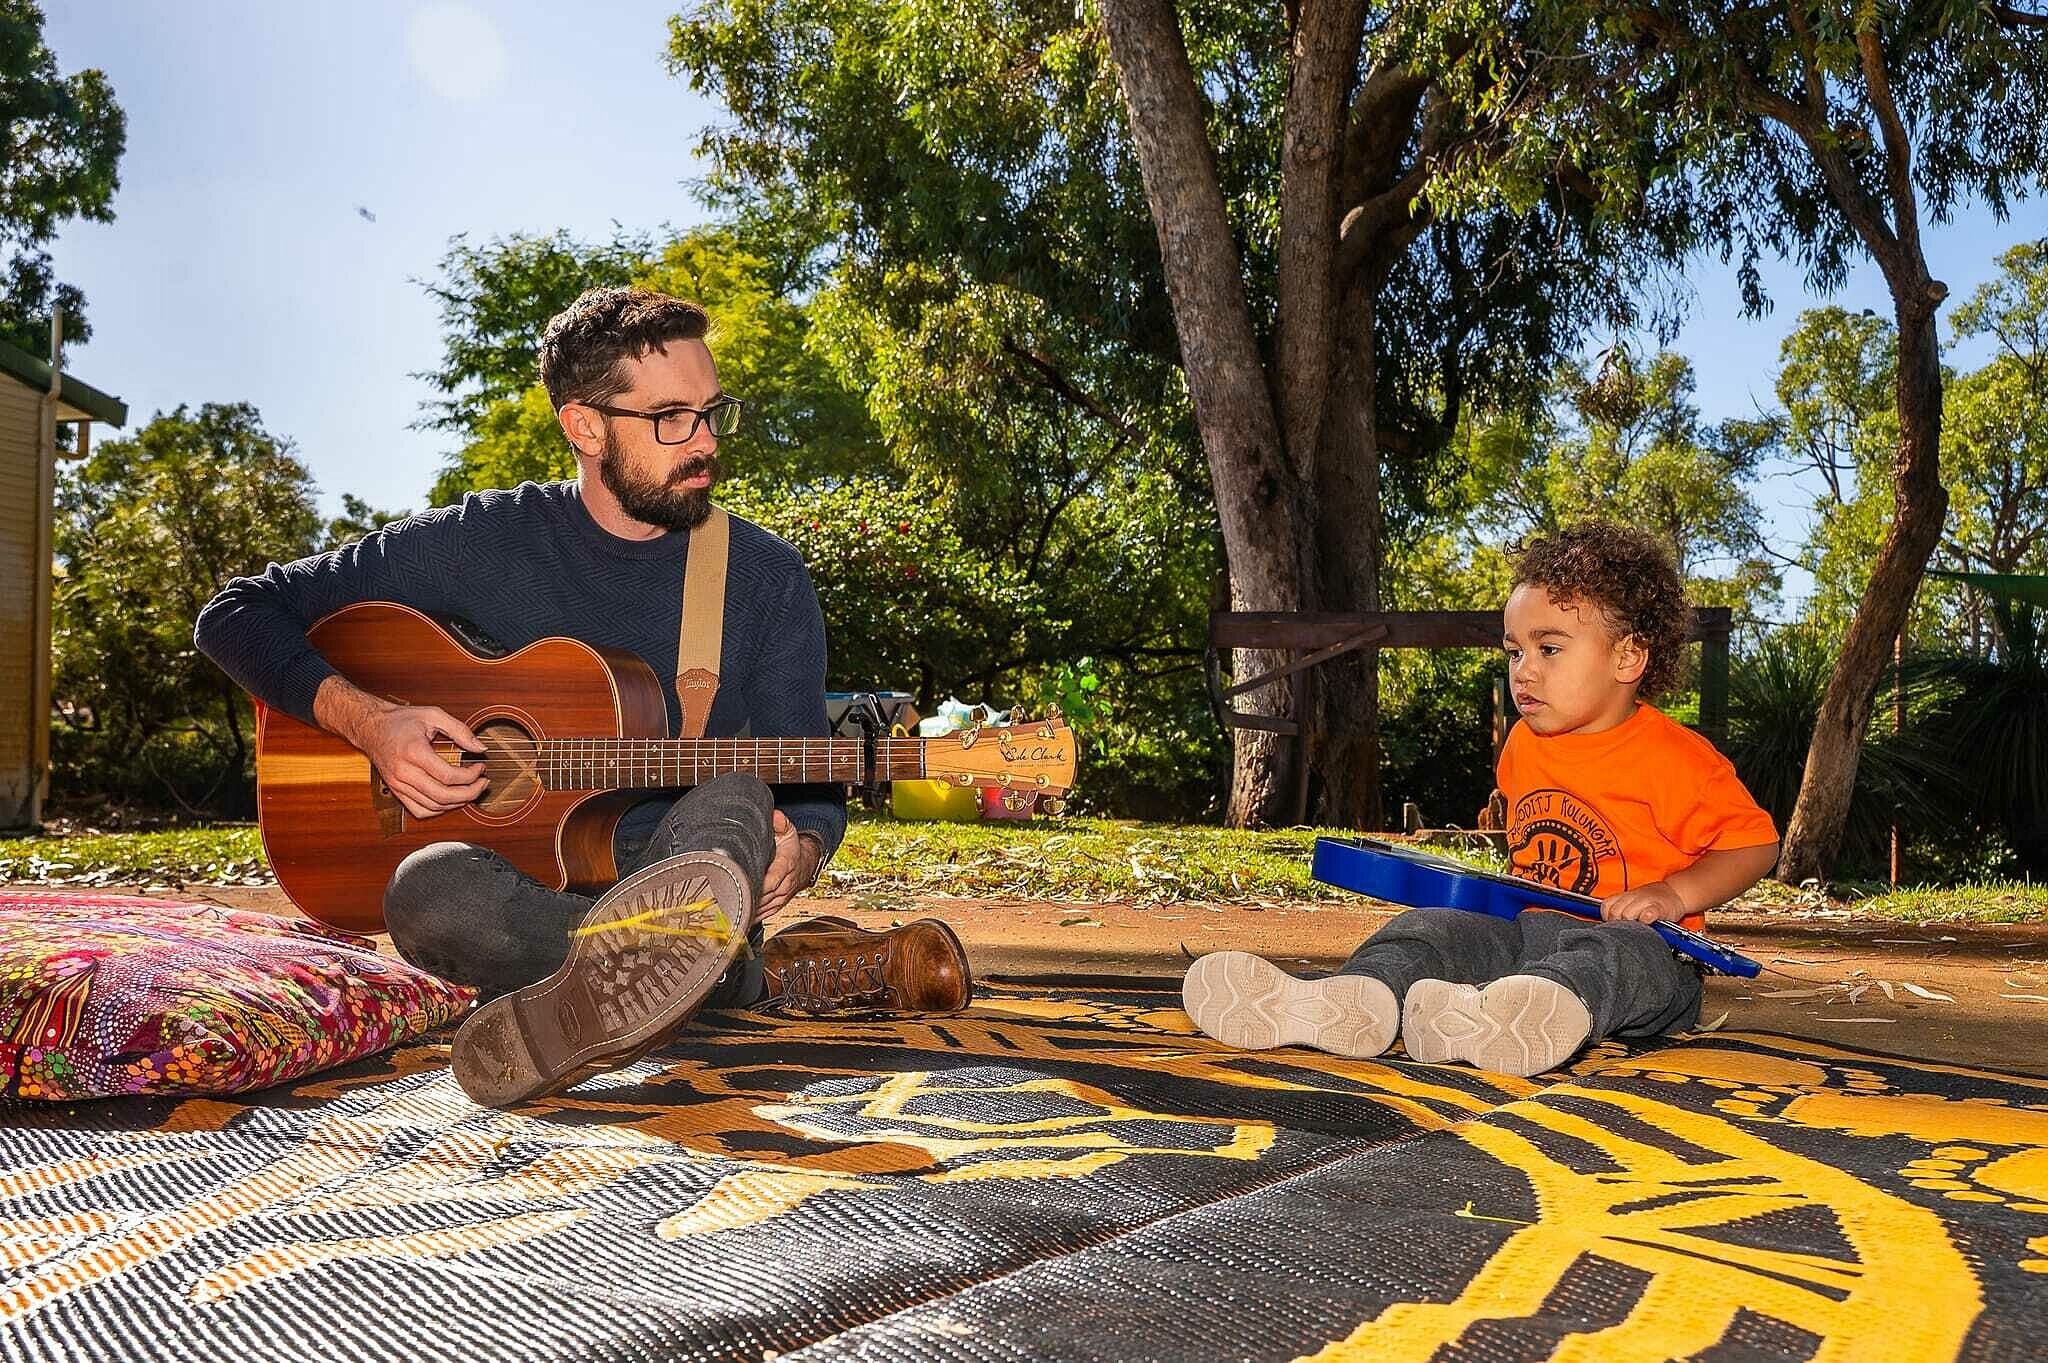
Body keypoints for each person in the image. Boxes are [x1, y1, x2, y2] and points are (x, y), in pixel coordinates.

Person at [195, 285, 971, 1106]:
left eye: (712, 412)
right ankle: (704, 978)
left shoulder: (762, 576)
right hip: (521, 891)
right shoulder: (484, 541)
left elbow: (805, 780)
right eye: (672, 418)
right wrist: (373, 722)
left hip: (679, 865)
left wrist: (802, 848)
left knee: (738, 796)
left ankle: (600, 990)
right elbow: (234, 615)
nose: (704, 441)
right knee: (423, 890)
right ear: (585, 426)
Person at [1182, 522, 1780, 1077]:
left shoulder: (1675, 757)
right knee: (1433, 926)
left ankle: (1531, 1013)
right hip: (1525, 934)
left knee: (1619, 955)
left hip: (1648, 955)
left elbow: (1755, 846)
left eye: (1549, 649)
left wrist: (1675, 894)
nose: (1523, 670)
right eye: (1514, 650)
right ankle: (1354, 998)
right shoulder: (1522, 743)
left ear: (1628, 657)